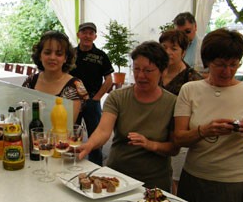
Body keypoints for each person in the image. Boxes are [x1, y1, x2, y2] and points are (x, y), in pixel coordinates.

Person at [174, 28, 243, 202]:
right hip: (195, 176)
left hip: (234, 182)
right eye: (220, 65)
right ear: (208, 62)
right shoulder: (190, 90)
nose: (227, 71)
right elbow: (178, 138)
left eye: (233, 65)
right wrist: (204, 131)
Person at [77, 42, 178, 190]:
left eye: (148, 71)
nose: (140, 75)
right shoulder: (118, 97)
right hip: (117, 178)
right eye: (136, 69)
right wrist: (89, 145)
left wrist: (150, 144)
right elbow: (103, 130)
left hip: (154, 182)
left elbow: (174, 148)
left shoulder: (173, 103)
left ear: (162, 71)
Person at [158, 29, 203, 194]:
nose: (168, 52)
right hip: (156, 132)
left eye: (174, 48)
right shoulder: (155, 72)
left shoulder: (192, 78)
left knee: (176, 181)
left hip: (178, 136)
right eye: (164, 47)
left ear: (183, 52)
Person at [70, 22, 114, 166]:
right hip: (72, 102)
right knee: (71, 134)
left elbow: (109, 80)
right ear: (78, 35)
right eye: (84, 32)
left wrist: (96, 99)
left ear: (95, 36)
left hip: (92, 102)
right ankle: (71, 162)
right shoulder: (71, 54)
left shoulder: (101, 56)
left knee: (96, 136)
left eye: (90, 33)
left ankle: (96, 166)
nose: (87, 36)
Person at [22, 30, 89, 122]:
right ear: (40, 56)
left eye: (59, 54)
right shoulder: (31, 80)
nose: (52, 57)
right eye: (47, 52)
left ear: (65, 58)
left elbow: (68, 126)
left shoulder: (74, 86)